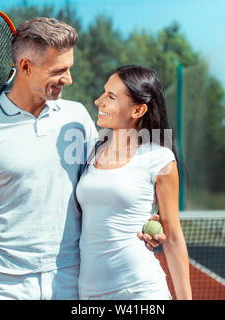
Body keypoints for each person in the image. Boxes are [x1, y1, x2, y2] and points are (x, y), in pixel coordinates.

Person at [0, 17, 161, 300]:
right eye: (60, 70)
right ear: (26, 67)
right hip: (3, 285)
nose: (69, 79)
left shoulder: (77, 117)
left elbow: (106, 183)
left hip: (70, 277)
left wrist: (143, 219)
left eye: (70, 68)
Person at [76, 65, 192, 300]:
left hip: (139, 291)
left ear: (138, 109)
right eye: (103, 93)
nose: (99, 101)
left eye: (111, 97)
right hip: (88, 294)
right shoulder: (90, 151)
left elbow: (173, 237)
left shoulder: (159, 158)